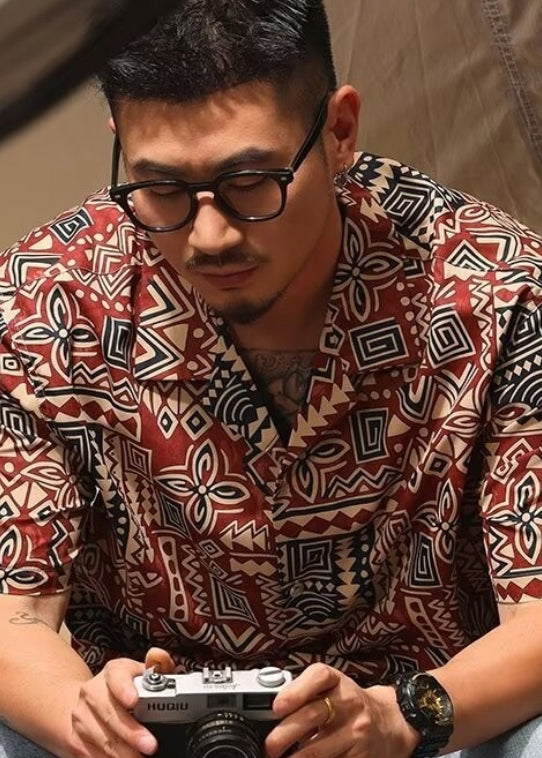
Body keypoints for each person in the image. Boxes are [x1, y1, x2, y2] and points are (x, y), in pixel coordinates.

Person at [0, 1, 542, 757]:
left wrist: (400, 718)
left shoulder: (497, 289)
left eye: (251, 180)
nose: (209, 234)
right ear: (120, 145)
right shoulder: (45, 300)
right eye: (162, 188)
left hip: (418, 722)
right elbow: (16, 612)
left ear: (339, 131)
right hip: (148, 738)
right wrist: (81, 714)